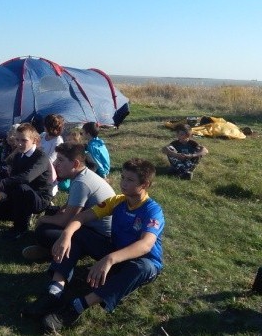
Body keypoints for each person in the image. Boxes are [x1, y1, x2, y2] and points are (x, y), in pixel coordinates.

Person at [23, 158, 165, 332]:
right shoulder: (118, 201)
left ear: (145, 185)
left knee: (142, 268)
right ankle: (54, 291)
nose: (123, 183)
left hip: (142, 262)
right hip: (115, 253)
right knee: (79, 233)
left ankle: (76, 307)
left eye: (130, 180)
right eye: (122, 177)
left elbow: (145, 245)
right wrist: (66, 235)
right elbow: (82, 217)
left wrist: (110, 259)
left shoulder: (152, 210)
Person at [21, 142, 116, 262]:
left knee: (44, 232)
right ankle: (54, 248)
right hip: (91, 228)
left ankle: (60, 252)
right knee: (51, 212)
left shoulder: (82, 183)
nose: (56, 164)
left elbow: (65, 221)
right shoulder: (82, 175)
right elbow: (68, 209)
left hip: (100, 239)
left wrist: (42, 220)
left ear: (75, 164)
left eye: (60, 160)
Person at [39, 114, 65, 196]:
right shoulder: (43, 135)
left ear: (50, 127)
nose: (43, 126)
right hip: (38, 162)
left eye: (45, 125)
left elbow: (51, 160)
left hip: (48, 169)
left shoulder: (58, 141)